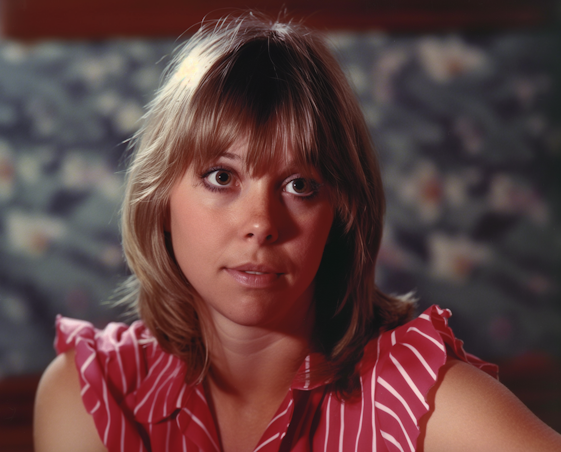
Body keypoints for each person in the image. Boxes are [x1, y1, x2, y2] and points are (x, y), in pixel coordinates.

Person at [33, 12, 561, 452]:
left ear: (340, 212)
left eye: (300, 185)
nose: (262, 224)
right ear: (160, 197)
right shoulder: (91, 395)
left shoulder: (419, 396)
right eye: (222, 177)